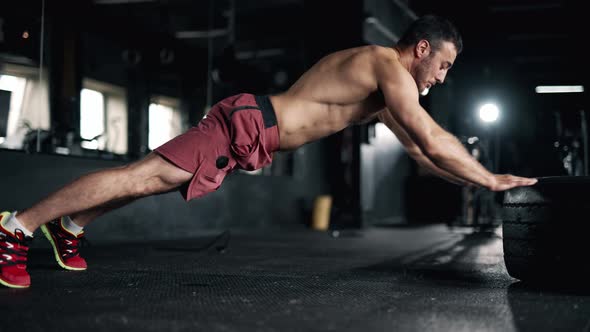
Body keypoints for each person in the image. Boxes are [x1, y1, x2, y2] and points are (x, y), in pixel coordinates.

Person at [0, 14, 537, 288]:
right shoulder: (384, 64)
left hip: (251, 133)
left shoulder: (382, 92)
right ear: (422, 49)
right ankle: (17, 225)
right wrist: (489, 178)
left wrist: (472, 180)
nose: (441, 78)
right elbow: (431, 137)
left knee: (149, 181)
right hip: (248, 124)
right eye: (442, 66)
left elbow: (422, 156)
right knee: (139, 176)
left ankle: (67, 227)